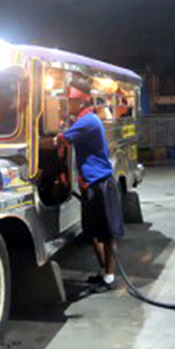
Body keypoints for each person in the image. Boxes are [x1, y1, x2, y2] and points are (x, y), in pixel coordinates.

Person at [53, 78, 124, 291]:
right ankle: (105, 273)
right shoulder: (80, 120)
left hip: (100, 184)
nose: (68, 104)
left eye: (71, 101)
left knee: (107, 233)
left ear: (81, 101)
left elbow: (60, 141)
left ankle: (110, 277)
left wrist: (30, 146)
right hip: (90, 184)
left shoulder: (88, 122)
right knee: (92, 233)